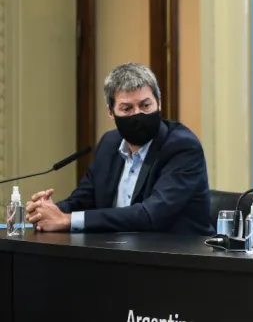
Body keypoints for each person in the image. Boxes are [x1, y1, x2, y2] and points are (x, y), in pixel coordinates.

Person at [25, 63, 213, 235]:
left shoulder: (182, 147)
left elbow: (150, 215)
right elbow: (83, 200)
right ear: (111, 112)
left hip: (178, 261)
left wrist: (67, 220)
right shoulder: (109, 144)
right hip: (118, 256)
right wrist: (48, 212)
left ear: (159, 102)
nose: (137, 114)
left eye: (145, 105)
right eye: (127, 108)